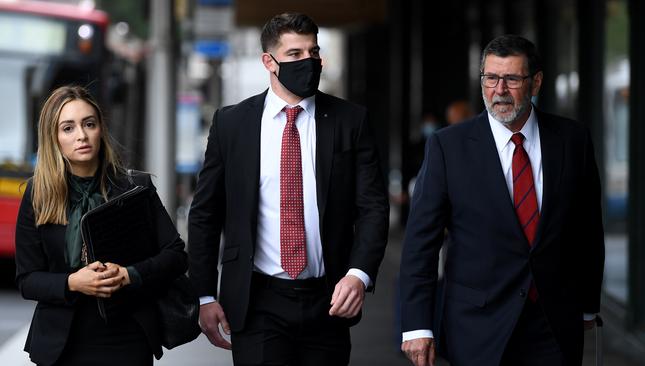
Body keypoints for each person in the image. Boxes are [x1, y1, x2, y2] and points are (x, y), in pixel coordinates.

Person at [188, 12, 389, 366]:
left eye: (313, 52)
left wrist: (359, 274)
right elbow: (206, 213)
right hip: (257, 300)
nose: (308, 62)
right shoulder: (231, 124)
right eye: (295, 54)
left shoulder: (350, 120)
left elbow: (372, 206)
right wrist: (204, 294)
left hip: (327, 299)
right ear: (269, 61)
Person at [399, 35, 605, 366]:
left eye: (512, 79)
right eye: (491, 78)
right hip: (477, 325)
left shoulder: (572, 140)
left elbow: (587, 228)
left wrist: (587, 303)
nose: (499, 90)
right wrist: (415, 326)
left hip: (553, 323)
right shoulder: (447, 147)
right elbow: (421, 242)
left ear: (535, 82)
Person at [15, 85, 188, 366]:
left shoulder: (134, 188)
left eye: (89, 124)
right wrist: (73, 282)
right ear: (53, 137)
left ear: (100, 130)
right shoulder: (37, 194)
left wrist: (129, 274)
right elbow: (27, 280)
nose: (81, 135)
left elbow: (176, 255)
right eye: (68, 128)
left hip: (128, 335)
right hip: (62, 343)